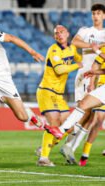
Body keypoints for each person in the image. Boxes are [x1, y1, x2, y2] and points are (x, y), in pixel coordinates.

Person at [59, 3, 105, 164]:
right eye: (93, 13)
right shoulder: (86, 31)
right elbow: (75, 42)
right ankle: (57, 142)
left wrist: (97, 48)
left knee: (91, 116)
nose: (96, 16)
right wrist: (95, 47)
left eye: (99, 13)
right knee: (83, 111)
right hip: (86, 74)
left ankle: (69, 147)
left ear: (104, 16)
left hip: (100, 77)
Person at [35, 25, 82, 167]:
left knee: (70, 126)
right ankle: (43, 159)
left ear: (67, 34)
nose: (59, 35)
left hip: (59, 95)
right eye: (56, 34)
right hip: (47, 91)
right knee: (54, 125)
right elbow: (60, 69)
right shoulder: (53, 50)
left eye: (62, 32)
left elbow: (81, 59)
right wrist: (77, 65)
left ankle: (44, 148)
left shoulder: (71, 49)